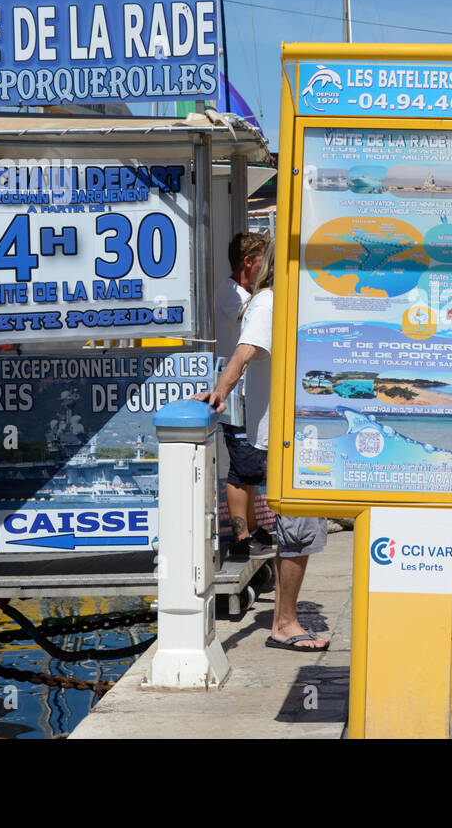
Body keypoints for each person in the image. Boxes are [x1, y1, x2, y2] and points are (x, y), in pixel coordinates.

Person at [199, 242, 330, 650]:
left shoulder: (283, 301)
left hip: (299, 433)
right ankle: (285, 623)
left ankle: (283, 619)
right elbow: (245, 350)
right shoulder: (270, 301)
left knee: (299, 529)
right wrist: (220, 391)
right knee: (300, 528)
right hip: (287, 437)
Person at [214, 232, 273, 559]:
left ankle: (252, 526)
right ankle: (240, 537)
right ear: (248, 262)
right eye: (263, 261)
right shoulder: (233, 294)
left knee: (249, 465)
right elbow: (249, 323)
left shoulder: (242, 293)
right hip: (234, 392)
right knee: (242, 468)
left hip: (245, 391)